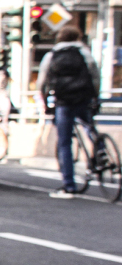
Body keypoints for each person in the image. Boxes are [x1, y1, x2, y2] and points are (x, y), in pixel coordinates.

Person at [36, 25, 101, 198]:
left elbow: (42, 82)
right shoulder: (84, 52)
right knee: (89, 128)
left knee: (64, 142)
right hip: (83, 98)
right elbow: (95, 75)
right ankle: (101, 151)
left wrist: (46, 102)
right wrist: (95, 96)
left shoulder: (52, 55)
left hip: (63, 101)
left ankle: (69, 185)